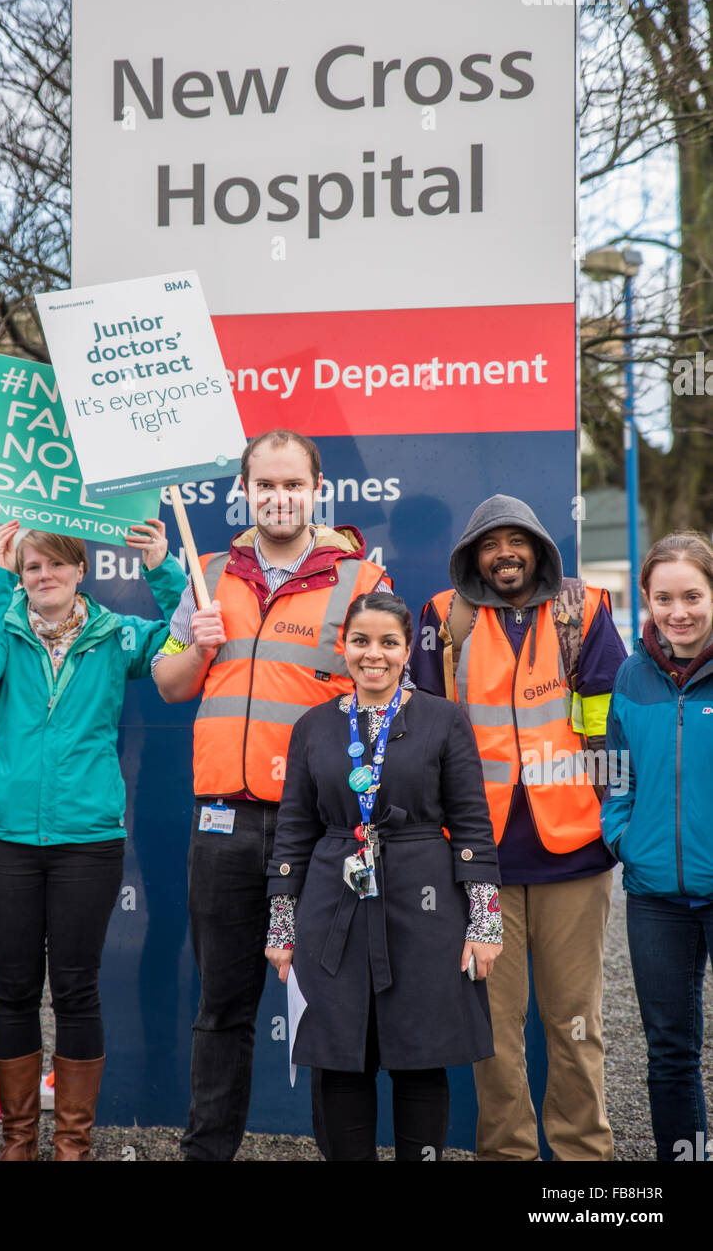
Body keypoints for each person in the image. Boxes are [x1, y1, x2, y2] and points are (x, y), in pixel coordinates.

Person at [153, 428, 392, 1162]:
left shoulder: (360, 582)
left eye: (292, 485)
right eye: (264, 485)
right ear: (244, 491)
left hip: (318, 831)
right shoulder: (208, 572)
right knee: (221, 1009)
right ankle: (206, 1153)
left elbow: (387, 699)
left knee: (330, 1008)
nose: (278, 498)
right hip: (223, 822)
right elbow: (168, 685)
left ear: (317, 489)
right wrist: (194, 643)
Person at [0, 517, 185, 1161]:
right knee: (15, 985)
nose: (43, 575)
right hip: (4, 836)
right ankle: (19, 1140)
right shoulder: (1, 628)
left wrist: (163, 567)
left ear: (80, 570)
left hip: (87, 838)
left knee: (76, 987)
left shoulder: (118, 635)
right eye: (31, 567)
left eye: (55, 564)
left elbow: (182, 640)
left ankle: (72, 1144)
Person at [411, 494, 627, 1161]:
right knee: (494, 1034)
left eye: (516, 540)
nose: (503, 552)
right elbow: (421, 732)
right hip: (479, 861)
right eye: (488, 542)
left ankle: (582, 1163)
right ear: (472, 556)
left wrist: (608, 818)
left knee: (576, 1027)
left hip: (572, 854)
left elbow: (609, 730)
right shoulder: (440, 617)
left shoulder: (583, 610)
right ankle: (505, 1156)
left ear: (536, 547)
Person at [264, 592, 501, 1161]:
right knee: (340, 1053)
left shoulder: (444, 719)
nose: (375, 654)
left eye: (388, 642)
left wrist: (485, 923)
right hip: (331, 902)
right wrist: (281, 925)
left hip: (424, 904)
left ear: (405, 651)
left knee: (421, 1054)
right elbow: (293, 830)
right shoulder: (313, 726)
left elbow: (472, 825)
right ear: (343, 647)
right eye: (361, 641)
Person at [602, 530, 713, 1162]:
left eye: (693, 596)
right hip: (654, 897)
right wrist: (625, 839)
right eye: (665, 597)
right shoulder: (631, 674)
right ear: (646, 599)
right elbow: (618, 772)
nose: (680, 612)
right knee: (670, 1049)